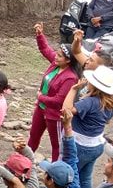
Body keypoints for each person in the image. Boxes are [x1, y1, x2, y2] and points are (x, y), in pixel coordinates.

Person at [62, 66, 113, 188]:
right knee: (85, 177)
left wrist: (74, 89)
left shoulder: (91, 102)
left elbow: (67, 111)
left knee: (69, 174)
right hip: (96, 145)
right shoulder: (108, 103)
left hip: (80, 145)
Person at [27, 23, 81, 161]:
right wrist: (40, 35)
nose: (55, 57)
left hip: (55, 115)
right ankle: (23, 164)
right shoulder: (55, 64)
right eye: (56, 54)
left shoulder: (70, 78)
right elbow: (45, 49)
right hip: (41, 109)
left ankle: (55, 173)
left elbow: (58, 101)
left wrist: (41, 97)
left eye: (60, 56)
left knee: (56, 145)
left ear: (68, 61)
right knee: (33, 136)